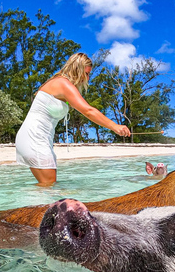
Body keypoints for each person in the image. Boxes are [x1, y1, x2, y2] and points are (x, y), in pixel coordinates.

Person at [15, 52, 131, 186]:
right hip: (34, 136)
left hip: (40, 138)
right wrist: (114, 126)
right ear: (77, 70)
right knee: (48, 186)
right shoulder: (63, 84)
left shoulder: (61, 83)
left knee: (47, 187)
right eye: (86, 74)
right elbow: (88, 111)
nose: (87, 78)